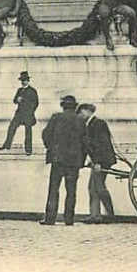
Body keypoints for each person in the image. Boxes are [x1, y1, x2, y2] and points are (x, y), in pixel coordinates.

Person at [40, 95, 89, 225]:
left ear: (63, 106)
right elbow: (85, 142)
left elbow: (46, 135)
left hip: (58, 160)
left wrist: (51, 149)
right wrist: (81, 159)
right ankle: (69, 219)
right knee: (71, 191)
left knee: (54, 189)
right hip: (74, 161)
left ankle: (50, 218)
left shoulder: (56, 118)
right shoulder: (81, 121)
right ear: (75, 107)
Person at [77, 103, 116, 223]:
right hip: (99, 160)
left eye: (81, 112)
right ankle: (95, 215)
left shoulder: (98, 124)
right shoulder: (91, 124)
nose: (80, 115)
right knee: (93, 187)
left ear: (88, 111)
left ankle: (109, 215)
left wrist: (98, 162)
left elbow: (101, 145)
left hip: (102, 160)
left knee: (98, 187)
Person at [0, 71, 39, 155]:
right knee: (11, 128)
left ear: (28, 81)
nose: (23, 82)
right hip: (19, 114)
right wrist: (17, 100)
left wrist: (30, 111)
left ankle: (28, 150)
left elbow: (36, 103)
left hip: (28, 114)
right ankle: (6, 145)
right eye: (22, 80)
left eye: (24, 80)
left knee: (28, 133)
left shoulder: (32, 91)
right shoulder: (19, 90)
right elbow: (14, 100)